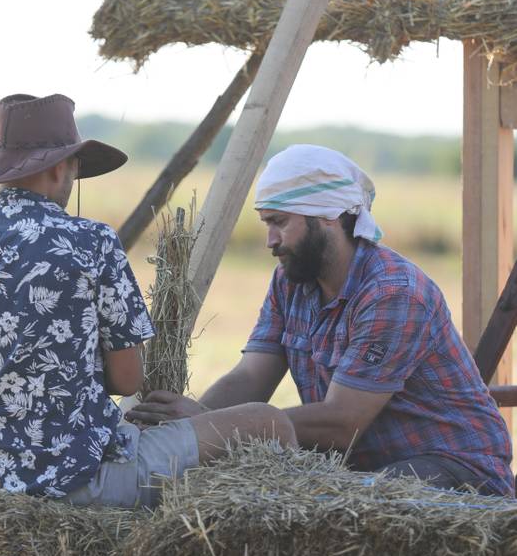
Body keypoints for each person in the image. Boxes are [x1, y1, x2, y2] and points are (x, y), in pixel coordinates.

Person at [0, 93, 295, 508]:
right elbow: (128, 379)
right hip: (77, 479)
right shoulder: (92, 243)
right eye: (75, 169)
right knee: (269, 422)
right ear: (59, 168)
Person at [127, 144, 514, 498]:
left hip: (453, 465)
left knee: (356, 509)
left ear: (327, 216)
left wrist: (212, 424)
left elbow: (341, 423)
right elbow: (249, 378)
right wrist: (188, 435)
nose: (270, 241)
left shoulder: (393, 292)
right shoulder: (290, 281)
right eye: (266, 223)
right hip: (366, 467)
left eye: (279, 222)